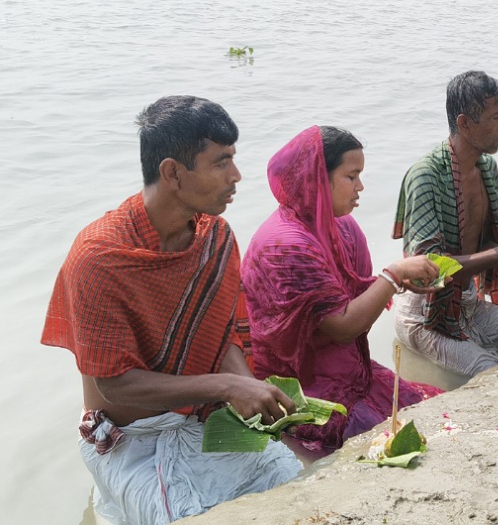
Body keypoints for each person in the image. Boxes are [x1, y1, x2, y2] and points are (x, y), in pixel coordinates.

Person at [42, 96, 301, 525]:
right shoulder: (99, 257)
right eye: (221, 163)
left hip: (200, 418)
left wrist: (247, 388)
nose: (236, 176)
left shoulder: (214, 237)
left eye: (233, 160)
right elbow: (115, 389)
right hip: (131, 439)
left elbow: (219, 337)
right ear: (172, 173)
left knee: (289, 478)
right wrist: (226, 387)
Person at [241, 126, 443, 456]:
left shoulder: (343, 227)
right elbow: (344, 327)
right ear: (318, 179)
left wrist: (404, 281)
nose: (360, 186)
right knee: (376, 439)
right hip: (301, 383)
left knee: (427, 415)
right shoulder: (285, 244)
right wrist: (392, 277)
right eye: (352, 176)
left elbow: (361, 298)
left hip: (349, 367)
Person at [393, 71, 498, 377]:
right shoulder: (425, 176)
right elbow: (429, 268)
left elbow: (485, 248)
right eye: (496, 117)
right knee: (491, 372)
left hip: (467, 302)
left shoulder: (486, 167)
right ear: (464, 123)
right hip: (426, 314)